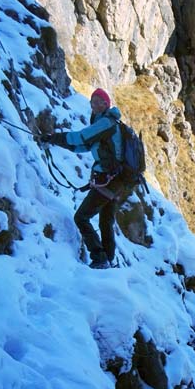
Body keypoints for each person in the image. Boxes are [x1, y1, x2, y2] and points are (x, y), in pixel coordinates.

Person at [42, 88, 134, 269]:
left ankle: (99, 257)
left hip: (109, 180)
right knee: (105, 220)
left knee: (82, 217)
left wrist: (55, 137)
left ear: (106, 104)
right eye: (92, 101)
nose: (94, 104)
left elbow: (81, 137)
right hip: (117, 180)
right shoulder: (107, 125)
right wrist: (57, 141)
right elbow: (82, 146)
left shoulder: (106, 123)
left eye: (99, 101)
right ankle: (108, 259)